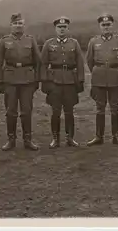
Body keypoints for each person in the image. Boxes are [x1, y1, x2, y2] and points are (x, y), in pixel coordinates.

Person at [0, 13, 41, 151]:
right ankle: (11, 140)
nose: (18, 26)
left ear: (24, 25)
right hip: (10, 79)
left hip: (27, 80)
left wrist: (36, 80)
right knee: (11, 111)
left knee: (26, 110)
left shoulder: (30, 40)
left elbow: (38, 61)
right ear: (10, 26)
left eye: (20, 23)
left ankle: (28, 140)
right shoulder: (4, 41)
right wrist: (0, 81)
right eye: (15, 23)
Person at [40, 16, 85, 148]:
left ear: (68, 28)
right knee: (55, 112)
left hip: (70, 81)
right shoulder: (49, 44)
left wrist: (80, 80)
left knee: (69, 111)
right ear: (55, 29)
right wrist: (45, 81)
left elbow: (80, 63)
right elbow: (43, 64)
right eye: (59, 27)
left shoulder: (74, 43)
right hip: (54, 81)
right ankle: (55, 138)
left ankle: (70, 138)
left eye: (64, 27)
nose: (62, 29)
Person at [85, 13, 118, 147]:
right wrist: (98, 71)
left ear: (112, 25)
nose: (106, 27)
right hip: (99, 78)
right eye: (103, 25)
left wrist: (116, 72)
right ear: (100, 26)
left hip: (115, 77)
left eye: (108, 24)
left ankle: (116, 136)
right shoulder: (93, 41)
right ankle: (99, 136)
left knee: (114, 108)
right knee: (100, 108)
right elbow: (89, 61)